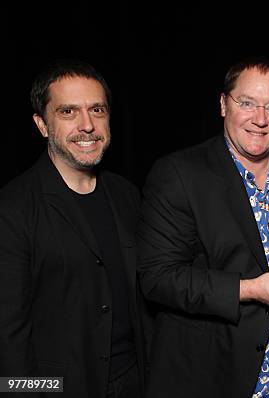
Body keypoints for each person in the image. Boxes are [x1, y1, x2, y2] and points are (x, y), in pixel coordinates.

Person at [137, 57, 269, 398]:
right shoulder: (179, 174)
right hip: (208, 378)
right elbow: (158, 278)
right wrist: (252, 290)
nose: (260, 119)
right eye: (247, 103)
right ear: (223, 104)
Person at [0, 60, 149, 397]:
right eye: (68, 112)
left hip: (135, 382)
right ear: (42, 124)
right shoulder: (12, 209)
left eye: (97, 110)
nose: (87, 125)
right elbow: (8, 340)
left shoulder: (127, 195)